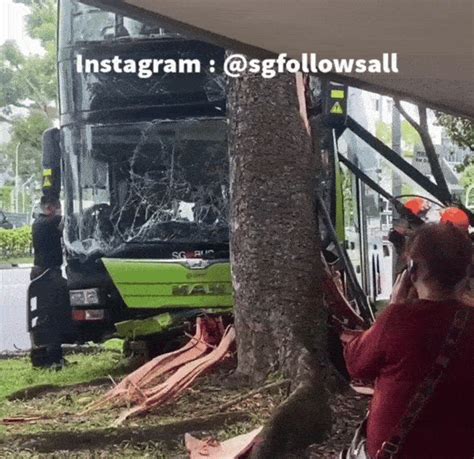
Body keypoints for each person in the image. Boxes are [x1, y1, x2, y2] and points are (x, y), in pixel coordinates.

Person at [341, 224, 474, 459]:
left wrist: (393, 306)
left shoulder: (400, 319)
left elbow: (356, 363)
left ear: (412, 269)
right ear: (467, 271)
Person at [30, 195, 71, 368]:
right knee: (52, 316)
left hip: (45, 272)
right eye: (57, 207)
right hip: (47, 274)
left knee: (47, 315)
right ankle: (51, 358)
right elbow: (67, 221)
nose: (58, 210)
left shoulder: (40, 223)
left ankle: (47, 356)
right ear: (49, 208)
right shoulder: (45, 223)